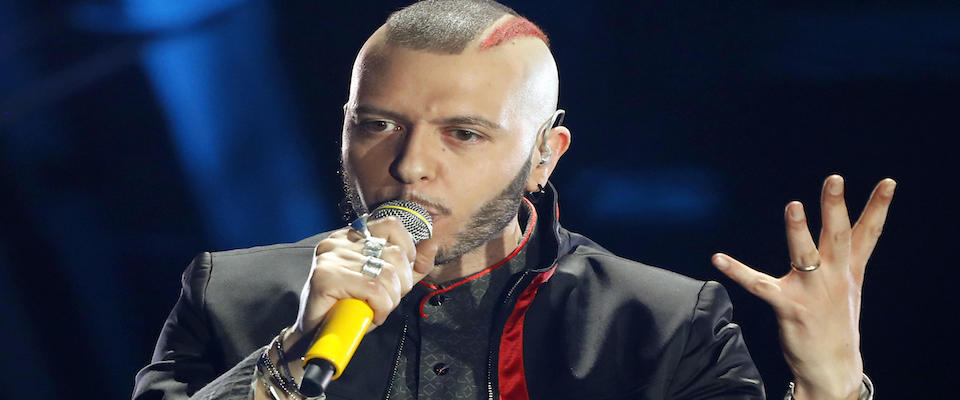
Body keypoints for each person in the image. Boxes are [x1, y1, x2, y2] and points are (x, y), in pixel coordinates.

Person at [133, 1, 895, 399]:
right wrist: (290, 358)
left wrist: (829, 385)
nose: (408, 166)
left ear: (543, 156)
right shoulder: (229, 293)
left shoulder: (657, 323)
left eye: (463, 134)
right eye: (376, 125)